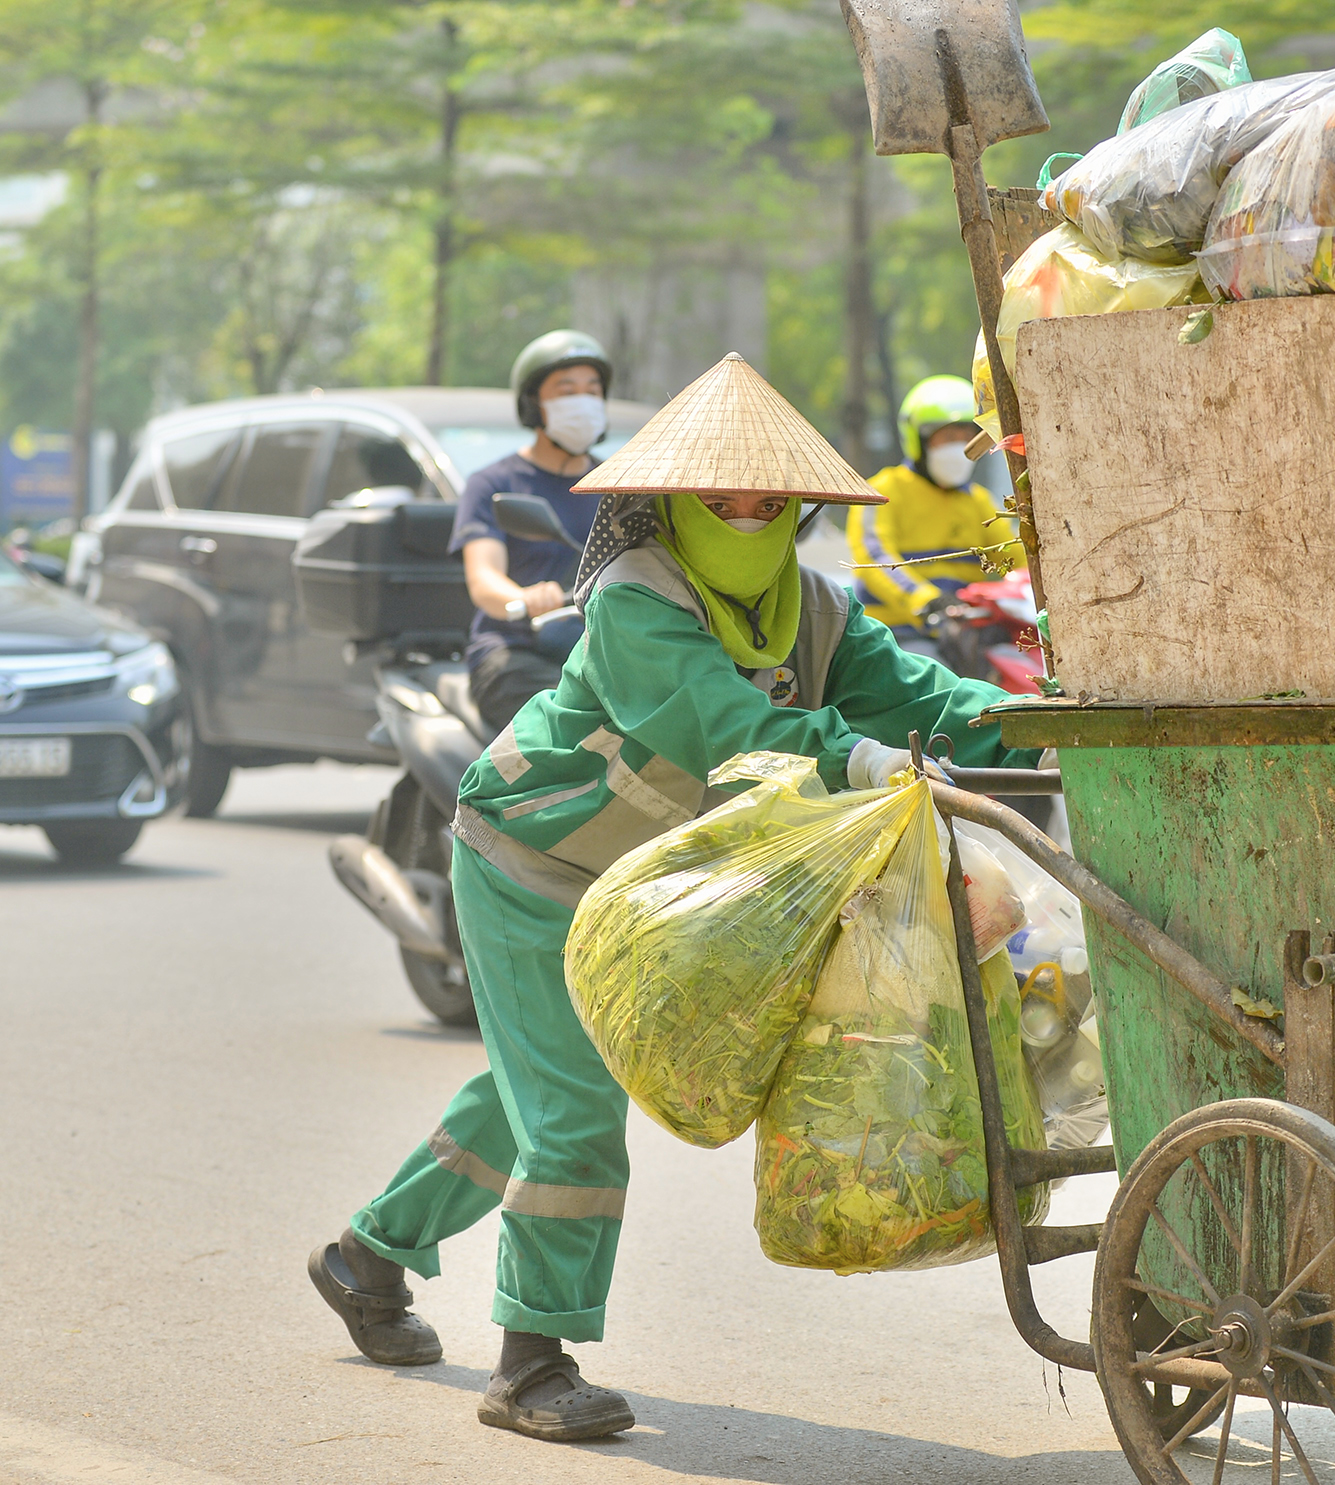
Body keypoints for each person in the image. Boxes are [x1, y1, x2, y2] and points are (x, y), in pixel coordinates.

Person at [308, 353, 1044, 1442]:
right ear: (670, 504)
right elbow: (720, 726)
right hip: (526, 863)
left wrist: (1047, 716)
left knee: (533, 1094)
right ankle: (530, 1361)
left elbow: (925, 696)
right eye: (721, 501)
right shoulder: (634, 600)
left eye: (767, 502)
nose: (746, 516)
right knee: (573, 1115)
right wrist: (852, 759)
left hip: (644, 887)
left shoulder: (815, 609)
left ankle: (364, 1257)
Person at [450, 329, 616, 728]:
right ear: (532, 404)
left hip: (606, 653)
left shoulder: (619, 486)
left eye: (592, 391)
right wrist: (524, 598)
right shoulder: (493, 484)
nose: (583, 401)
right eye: (566, 390)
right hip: (516, 652)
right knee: (579, 724)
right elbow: (484, 577)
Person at [847, 375, 1021, 658]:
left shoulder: (978, 501)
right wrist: (927, 601)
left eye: (968, 437)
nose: (960, 446)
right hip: (897, 634)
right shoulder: (881, 492)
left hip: (966, 633)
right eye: (949, 437)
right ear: (920, 440)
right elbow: (876, 558)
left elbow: (1016, 562)